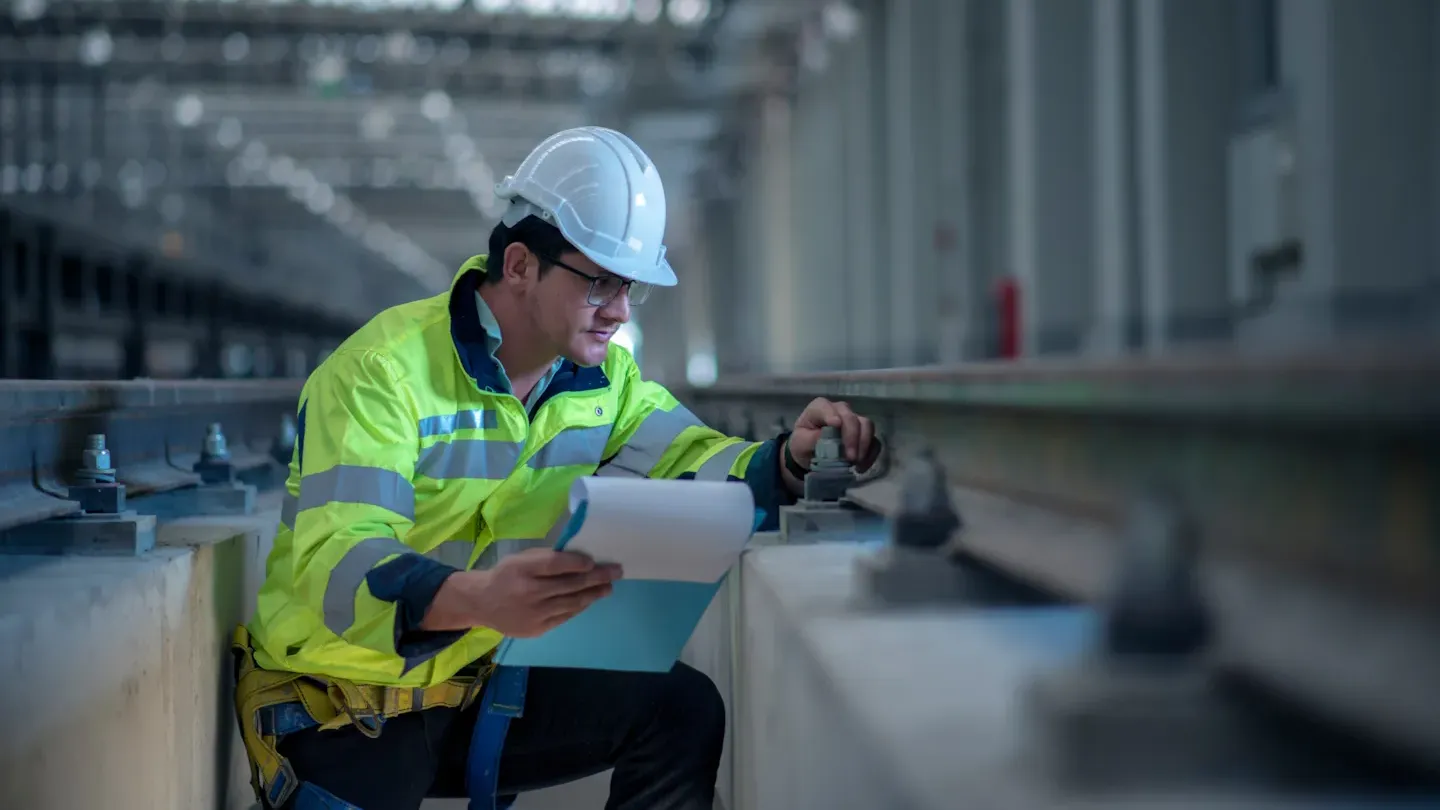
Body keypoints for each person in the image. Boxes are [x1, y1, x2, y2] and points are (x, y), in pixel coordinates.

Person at [231, 126, 882, 810]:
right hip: (341, 708)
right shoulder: (380, 374)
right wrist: (480, 598)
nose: (620, 311)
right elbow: (341, 564)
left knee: (680, 711)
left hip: (474, 687)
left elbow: (700, 462)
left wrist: (787, 459)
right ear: (518, 266)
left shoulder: (604, 384)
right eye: (599, 282)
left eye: (629, 287)